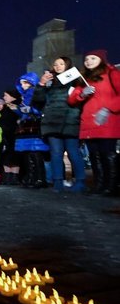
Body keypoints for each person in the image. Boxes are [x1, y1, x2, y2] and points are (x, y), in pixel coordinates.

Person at [67, 49, 120, 195]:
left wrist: (109, 108)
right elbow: (72, 99)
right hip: (89, 122)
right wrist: (82, 94)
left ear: (101, 60)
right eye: (86, 59)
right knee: (94, 155)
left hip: (107, 120)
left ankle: (112, 185)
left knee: (107, 154)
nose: (88, 61)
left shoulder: (112, 73)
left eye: (93, 58)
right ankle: (99, 184)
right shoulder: (84, 79)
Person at [35, 57, 86, 193]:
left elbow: (80, 99)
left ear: (68, 65)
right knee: (56, 153)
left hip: (70, 121)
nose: (57, 66)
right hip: (52, 122)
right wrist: (41, 84)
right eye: (55, 64)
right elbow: (38, 102)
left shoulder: (76, 79)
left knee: (73, 152)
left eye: (61, 64)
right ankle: (58, 182)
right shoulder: (49, 81)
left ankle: (80, 182)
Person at [14, 73, 49, 189]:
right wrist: (20, 110)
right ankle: (32, 177)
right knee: (28, 152)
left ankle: (39, 178)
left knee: (35, 151)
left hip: (33, 124)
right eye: (21, 83)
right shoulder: (25, 95)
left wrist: (30, 110)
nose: (22, 85)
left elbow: (41, 106)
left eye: (25, 82)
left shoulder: (34, 91)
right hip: (26, 125)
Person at [0, 92, 22, 184]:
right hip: (5, 135)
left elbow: (21, 117)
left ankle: (14, 177)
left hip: (15, 135)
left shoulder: (18, 105)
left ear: (13, 97)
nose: (4, 97)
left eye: (6, 95)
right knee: (7, 156)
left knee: (14, 156)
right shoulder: (5, 107)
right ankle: (7, 177)